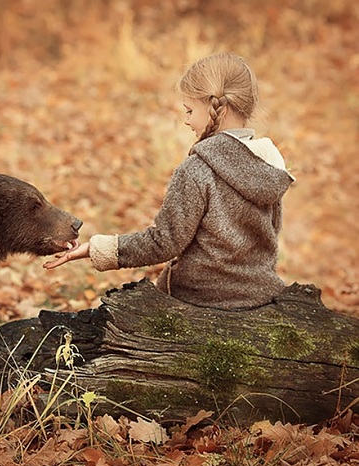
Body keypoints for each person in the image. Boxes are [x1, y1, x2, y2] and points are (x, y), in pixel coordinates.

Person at [44, 52, 295, 310]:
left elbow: (164, 242)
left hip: (197, 299)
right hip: (259, 297)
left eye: (189, 110)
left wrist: (98, 248)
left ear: (215, 106)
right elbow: (269, 239)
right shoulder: (269, 165)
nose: (186, 120)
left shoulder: (197, 169)